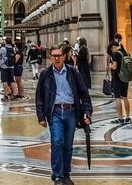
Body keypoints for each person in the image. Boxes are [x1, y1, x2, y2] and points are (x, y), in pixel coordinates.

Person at [35, 45, 93, 185]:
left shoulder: (73, 72)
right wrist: (41, 116)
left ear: (64, 56)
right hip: (54, 112)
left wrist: (87, 112)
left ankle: (66, 174)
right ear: (50, 58)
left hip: (71, 112)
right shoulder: (45, 74)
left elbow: (84, 94)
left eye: (59, 55)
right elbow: (39, 97)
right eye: (54, 56)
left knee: (68, 145)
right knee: (57, 141)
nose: (57, 58)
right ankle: (58, 175)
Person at [108, 41, 130, 124]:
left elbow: (114, 67)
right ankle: (128, 117)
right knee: (125, 97)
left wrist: (110, 65)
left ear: (114, 47)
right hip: (125, 78)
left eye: (111, 49)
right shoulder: (126, 53)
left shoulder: (116, 54)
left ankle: (120, 118)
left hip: (117, 78)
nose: (112, 51)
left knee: (117, 98)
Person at [0, 37, 16, 101]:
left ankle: (6, 95)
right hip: (11, 66)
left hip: (4, 66)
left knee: (4, 81)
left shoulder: (3, 48)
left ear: (5, 41)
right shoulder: (13, 48)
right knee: (12, 80)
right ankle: (14, 94)